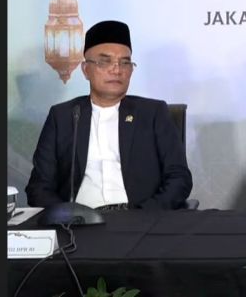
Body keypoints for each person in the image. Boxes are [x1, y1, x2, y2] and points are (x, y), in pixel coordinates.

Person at [26, 20, 193, 211]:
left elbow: (179, 178)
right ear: (85, 70)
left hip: (140, 217)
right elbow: (39, 187)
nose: (117, 69)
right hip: (79, 220)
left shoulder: (153, 113)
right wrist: (66, 216)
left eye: (125, 62)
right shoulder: (62, 117)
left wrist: (146, 214)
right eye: (105, 61)